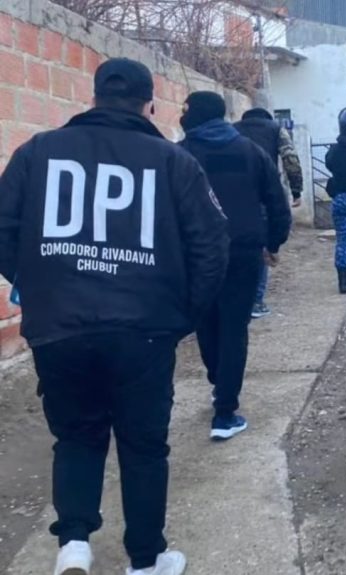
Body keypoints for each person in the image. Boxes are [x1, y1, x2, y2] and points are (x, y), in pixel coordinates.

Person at [0, 58, 229, 575]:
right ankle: (145, 560)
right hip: (144, 329)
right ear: (150, 105)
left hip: (59, 328)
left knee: (76, 436)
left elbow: (3, 228)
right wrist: (182, 315)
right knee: (143, 445)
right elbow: (212, 246)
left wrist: (41, 286)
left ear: (93, 97)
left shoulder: (37, 152)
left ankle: (74, 545)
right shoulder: (173, 162)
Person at [179, 92, 291, 440]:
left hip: (196, 254)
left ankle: (219, 381)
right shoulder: (251, 152)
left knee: (206, 321)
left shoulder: (180, 154)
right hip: (243, 252)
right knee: (234, 327)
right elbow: (277, 202)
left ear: (196, 114)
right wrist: (273, 243)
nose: (182, 114)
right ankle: (225, 412)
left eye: (185, 109)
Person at [235, 108, 304, 319]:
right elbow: (290, 159)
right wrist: (296, 190)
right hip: (264, 193)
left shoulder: (233, 130)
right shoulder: (275, 129)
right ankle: (256, 301)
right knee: (261, 246)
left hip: (236, 195)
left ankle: (238, 296)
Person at [325, 107, 346, 294]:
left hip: (341, 199)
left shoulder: (334, 151)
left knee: (343, 242)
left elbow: (329, 164)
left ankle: (344, 281)